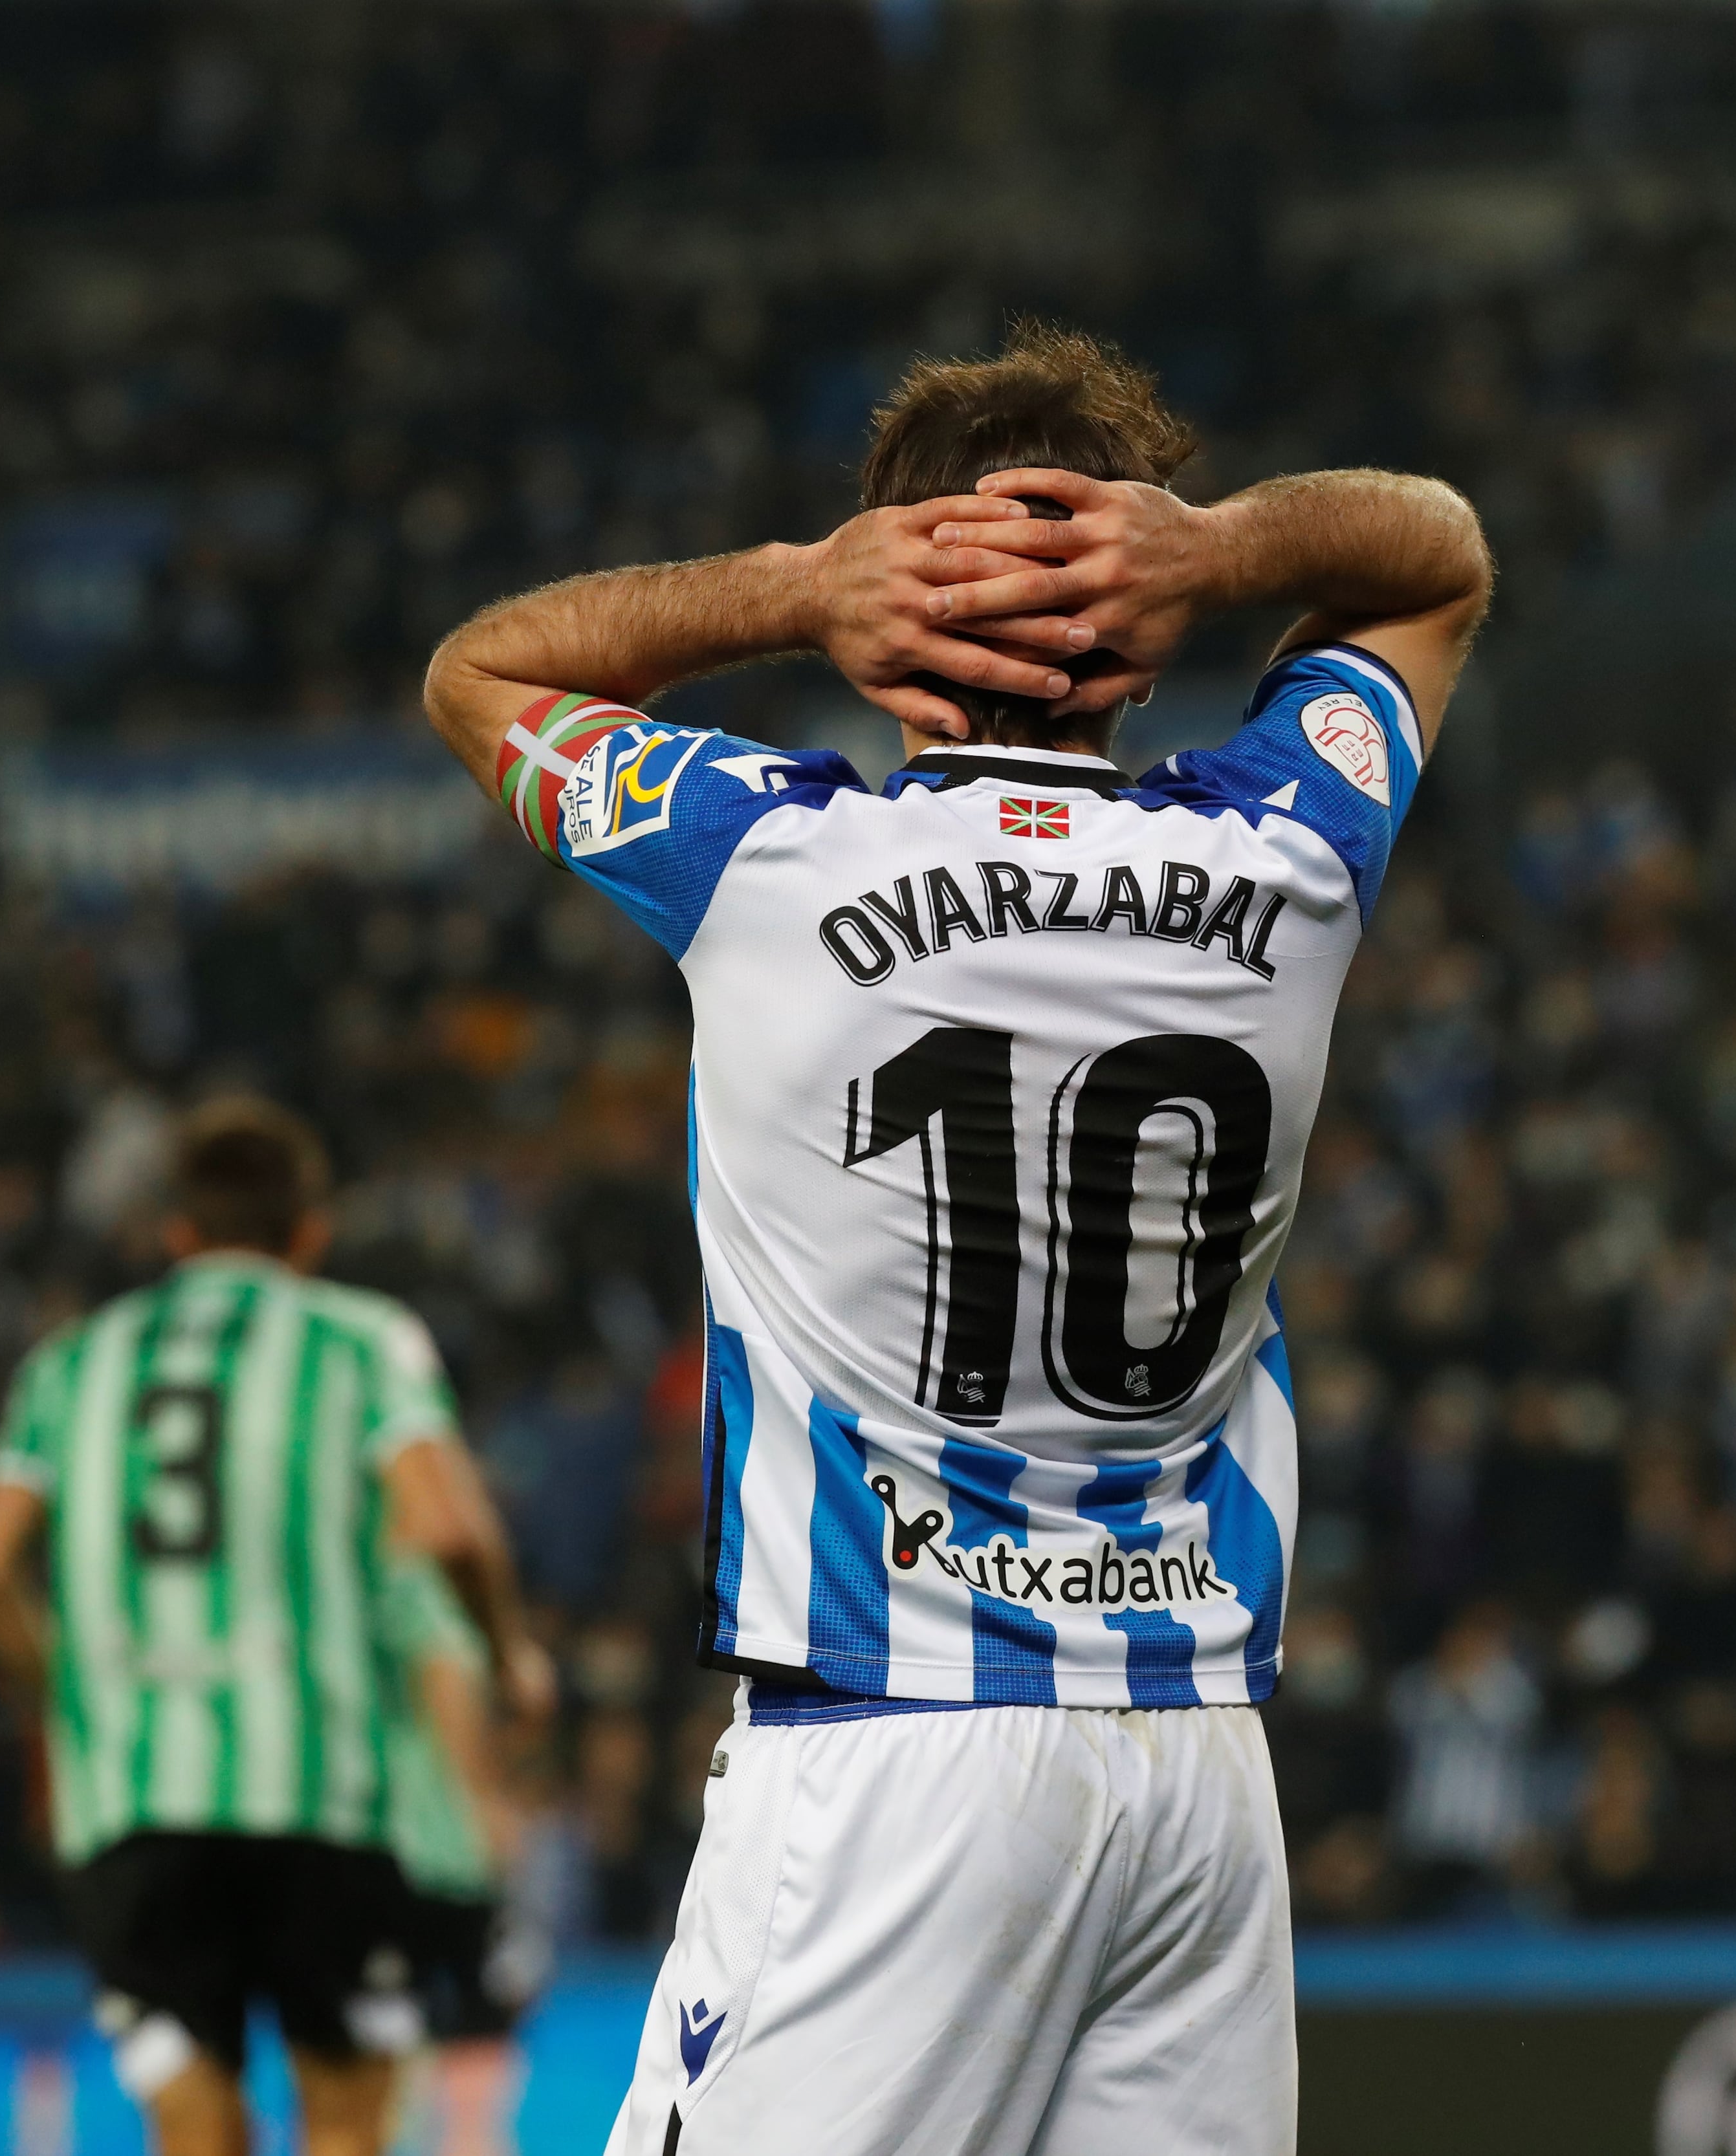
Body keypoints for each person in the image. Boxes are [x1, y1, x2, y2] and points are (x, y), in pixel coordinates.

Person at [420, 322, 1490, 2156]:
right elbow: (1442, 556)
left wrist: (792, 589)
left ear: (898, 640)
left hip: (892, 1737)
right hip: (1194, 1766)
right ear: (1136, 658)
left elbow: (475, 672)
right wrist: (1219, 553)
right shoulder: (1296, 853)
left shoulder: (757, 856)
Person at [0, 1097, 554, 2156]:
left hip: (134, 1797)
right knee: (349, 2112)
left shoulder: (71, 1361)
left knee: (192, 2122)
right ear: (310, 1230)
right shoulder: (362, 1339)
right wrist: (510, 1654)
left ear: (176, 1230)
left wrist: (64, 1706)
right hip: (316, 1788)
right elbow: (453, 1529)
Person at [375, 1550, 551, 2156]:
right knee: (479, 2039)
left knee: (387, 2043)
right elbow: (450, 1679)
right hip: (442, 1850)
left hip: (370, 1846)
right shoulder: (427, 1594)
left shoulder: (360, 1587)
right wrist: (485, 1804)